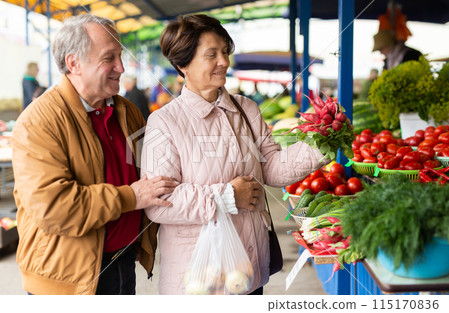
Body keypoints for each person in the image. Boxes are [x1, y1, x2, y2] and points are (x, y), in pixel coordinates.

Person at [140, 14, 330, 295]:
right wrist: (227, 196)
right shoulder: (164, 122)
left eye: (225, 52)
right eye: (211, 54)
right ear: (183, 65)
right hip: (200, 279)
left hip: (248, 268)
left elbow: (272, 168)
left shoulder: (246, 109)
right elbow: (160, 202)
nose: (224, 62)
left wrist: (320, 144)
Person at [12, 14, 178, 295]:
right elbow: (53, 207)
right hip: (66, 279)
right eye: (108, 58)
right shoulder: (39, 121)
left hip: (123, 263)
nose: (121, 67)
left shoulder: (128, 112)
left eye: (120, 56)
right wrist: (132, 196)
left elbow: (150, 174)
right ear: (74, 63)